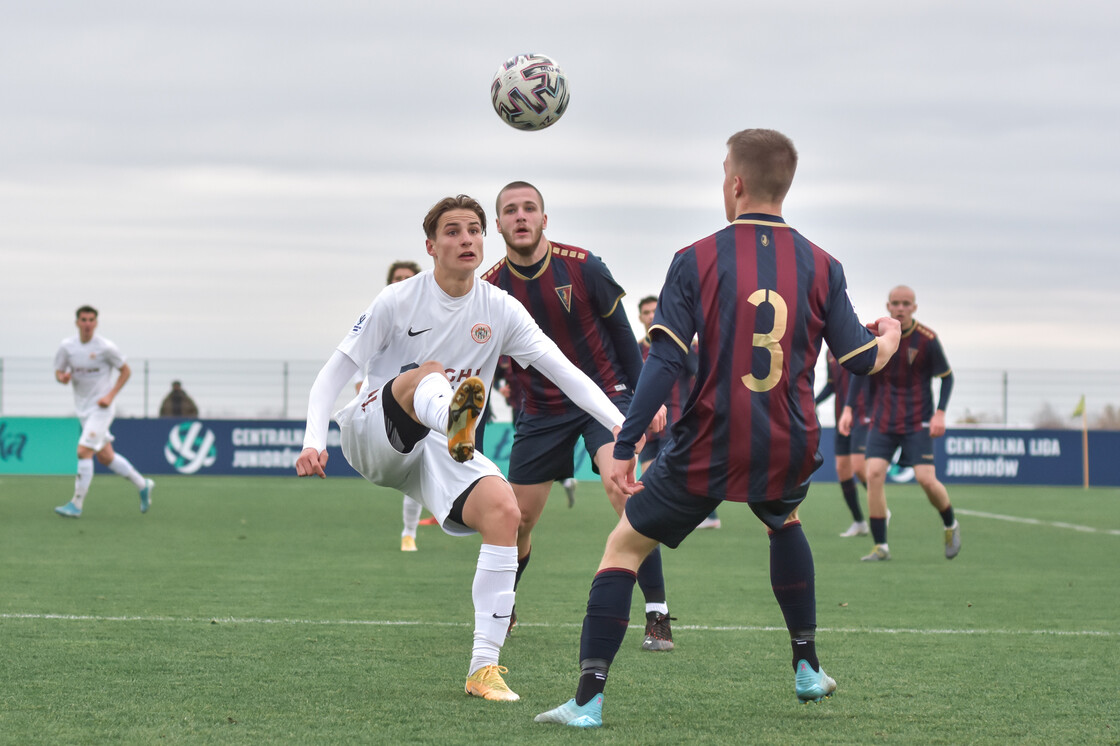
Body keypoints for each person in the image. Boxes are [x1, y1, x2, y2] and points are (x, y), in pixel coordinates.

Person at [534, 128, 901, 728]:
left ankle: (587, 700)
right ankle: (807, 668)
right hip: (790, 439)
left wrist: (626, 443)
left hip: (709, 442)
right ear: (786, 183)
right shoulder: (824, 264)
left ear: (734, 182)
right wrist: (889, 335)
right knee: (784, 518)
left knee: (623, 546)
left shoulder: (695, 258)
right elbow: (860, 359)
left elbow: (665, 360)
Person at [295, 194, 628, 703]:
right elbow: (332, 375)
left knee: (505, 512)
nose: (466, 238)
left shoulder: (499, 308)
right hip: (374, 432)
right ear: (431, 246)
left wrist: (623, 427)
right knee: (424, 374)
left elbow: (567, 374)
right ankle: (453, 415)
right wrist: (313, 440)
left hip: (442, 448)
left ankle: (482, 669)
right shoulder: (398, 300)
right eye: (452, 231)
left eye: (474, 229)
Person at [482, 182, 673, 650]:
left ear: (545, 219)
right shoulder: (488, 287)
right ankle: (503, 608)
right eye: (510, 210)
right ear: (500, 224)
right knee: (516, 518)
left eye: (530, 209)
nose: (521, 216)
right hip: (540, 409)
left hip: (604, 400)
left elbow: (625, 337)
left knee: (622, 489)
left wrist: (646, 402)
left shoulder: (584, 267)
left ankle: (657, 615)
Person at [844, 285, 959, 562]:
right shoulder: (879, 338)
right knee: (872, 475)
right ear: (888, 306)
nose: (900, 308)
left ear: (914, 308)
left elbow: (947, 377)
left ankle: (950, 523)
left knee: (925, 479)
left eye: (906, 303)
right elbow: (861, 371)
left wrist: (940, 413)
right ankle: (881, 546)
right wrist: (848, 408)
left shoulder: (927, 339)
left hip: (917, 423)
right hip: (883, 421)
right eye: (896, 303)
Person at [53, 306, 154, 518]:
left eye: (91, 320)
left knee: (83, 451)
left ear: (96, 323)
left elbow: (126, 371)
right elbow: (59, 371)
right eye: (83, 319)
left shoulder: (106, 347)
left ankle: (76, 504)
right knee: (106, 457)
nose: (87, 323)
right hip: (83, 410)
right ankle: (142, 484)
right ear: (77, 322)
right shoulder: (67, 347)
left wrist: (111, 396)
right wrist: (62, 378)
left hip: (102, 409)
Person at [636, 295, 719, 529]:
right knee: (648, 474)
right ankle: (659, 519)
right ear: (640, 317)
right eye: (646, 312)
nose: (651, 315)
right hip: (647, 420)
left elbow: (699, 372)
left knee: (670, 470)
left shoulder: (682, 345)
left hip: (676, 416)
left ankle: (699, 516)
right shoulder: (638, 348)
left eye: (654, 311)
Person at [379, 259, 439, 552]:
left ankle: (408, 534)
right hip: (384, 409)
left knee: (418, 469)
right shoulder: (378, 319)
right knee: (408, 471)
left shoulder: (434, 323)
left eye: (407, 279)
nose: (401, 283)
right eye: (396, 278)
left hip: (424, 408)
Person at [815, 350, 869, 536]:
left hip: (862, 416)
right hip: (841, 419)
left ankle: (880, 508)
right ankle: (859, 521)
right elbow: (831, 385)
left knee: (859, 466)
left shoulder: (860, 343)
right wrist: (814, 402)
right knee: (842, 469)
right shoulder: (830, 353)